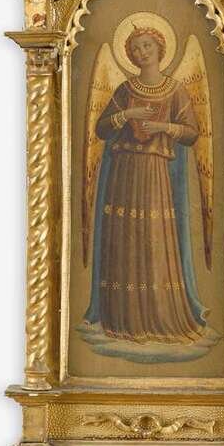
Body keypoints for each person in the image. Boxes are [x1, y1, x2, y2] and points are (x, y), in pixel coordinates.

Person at [83, 26, 207, 343]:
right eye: (136, 48)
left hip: (154, 174)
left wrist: (164, 126)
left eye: (147, 45)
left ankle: (158, 318)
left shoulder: (176, 90)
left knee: (153, 237)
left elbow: (192, 134)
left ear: (160, 47)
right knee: (125, 239)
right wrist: (127, 114)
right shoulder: (125, 90)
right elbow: (101, 129)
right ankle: (123, 320)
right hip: (123, 173)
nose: (142, 52)